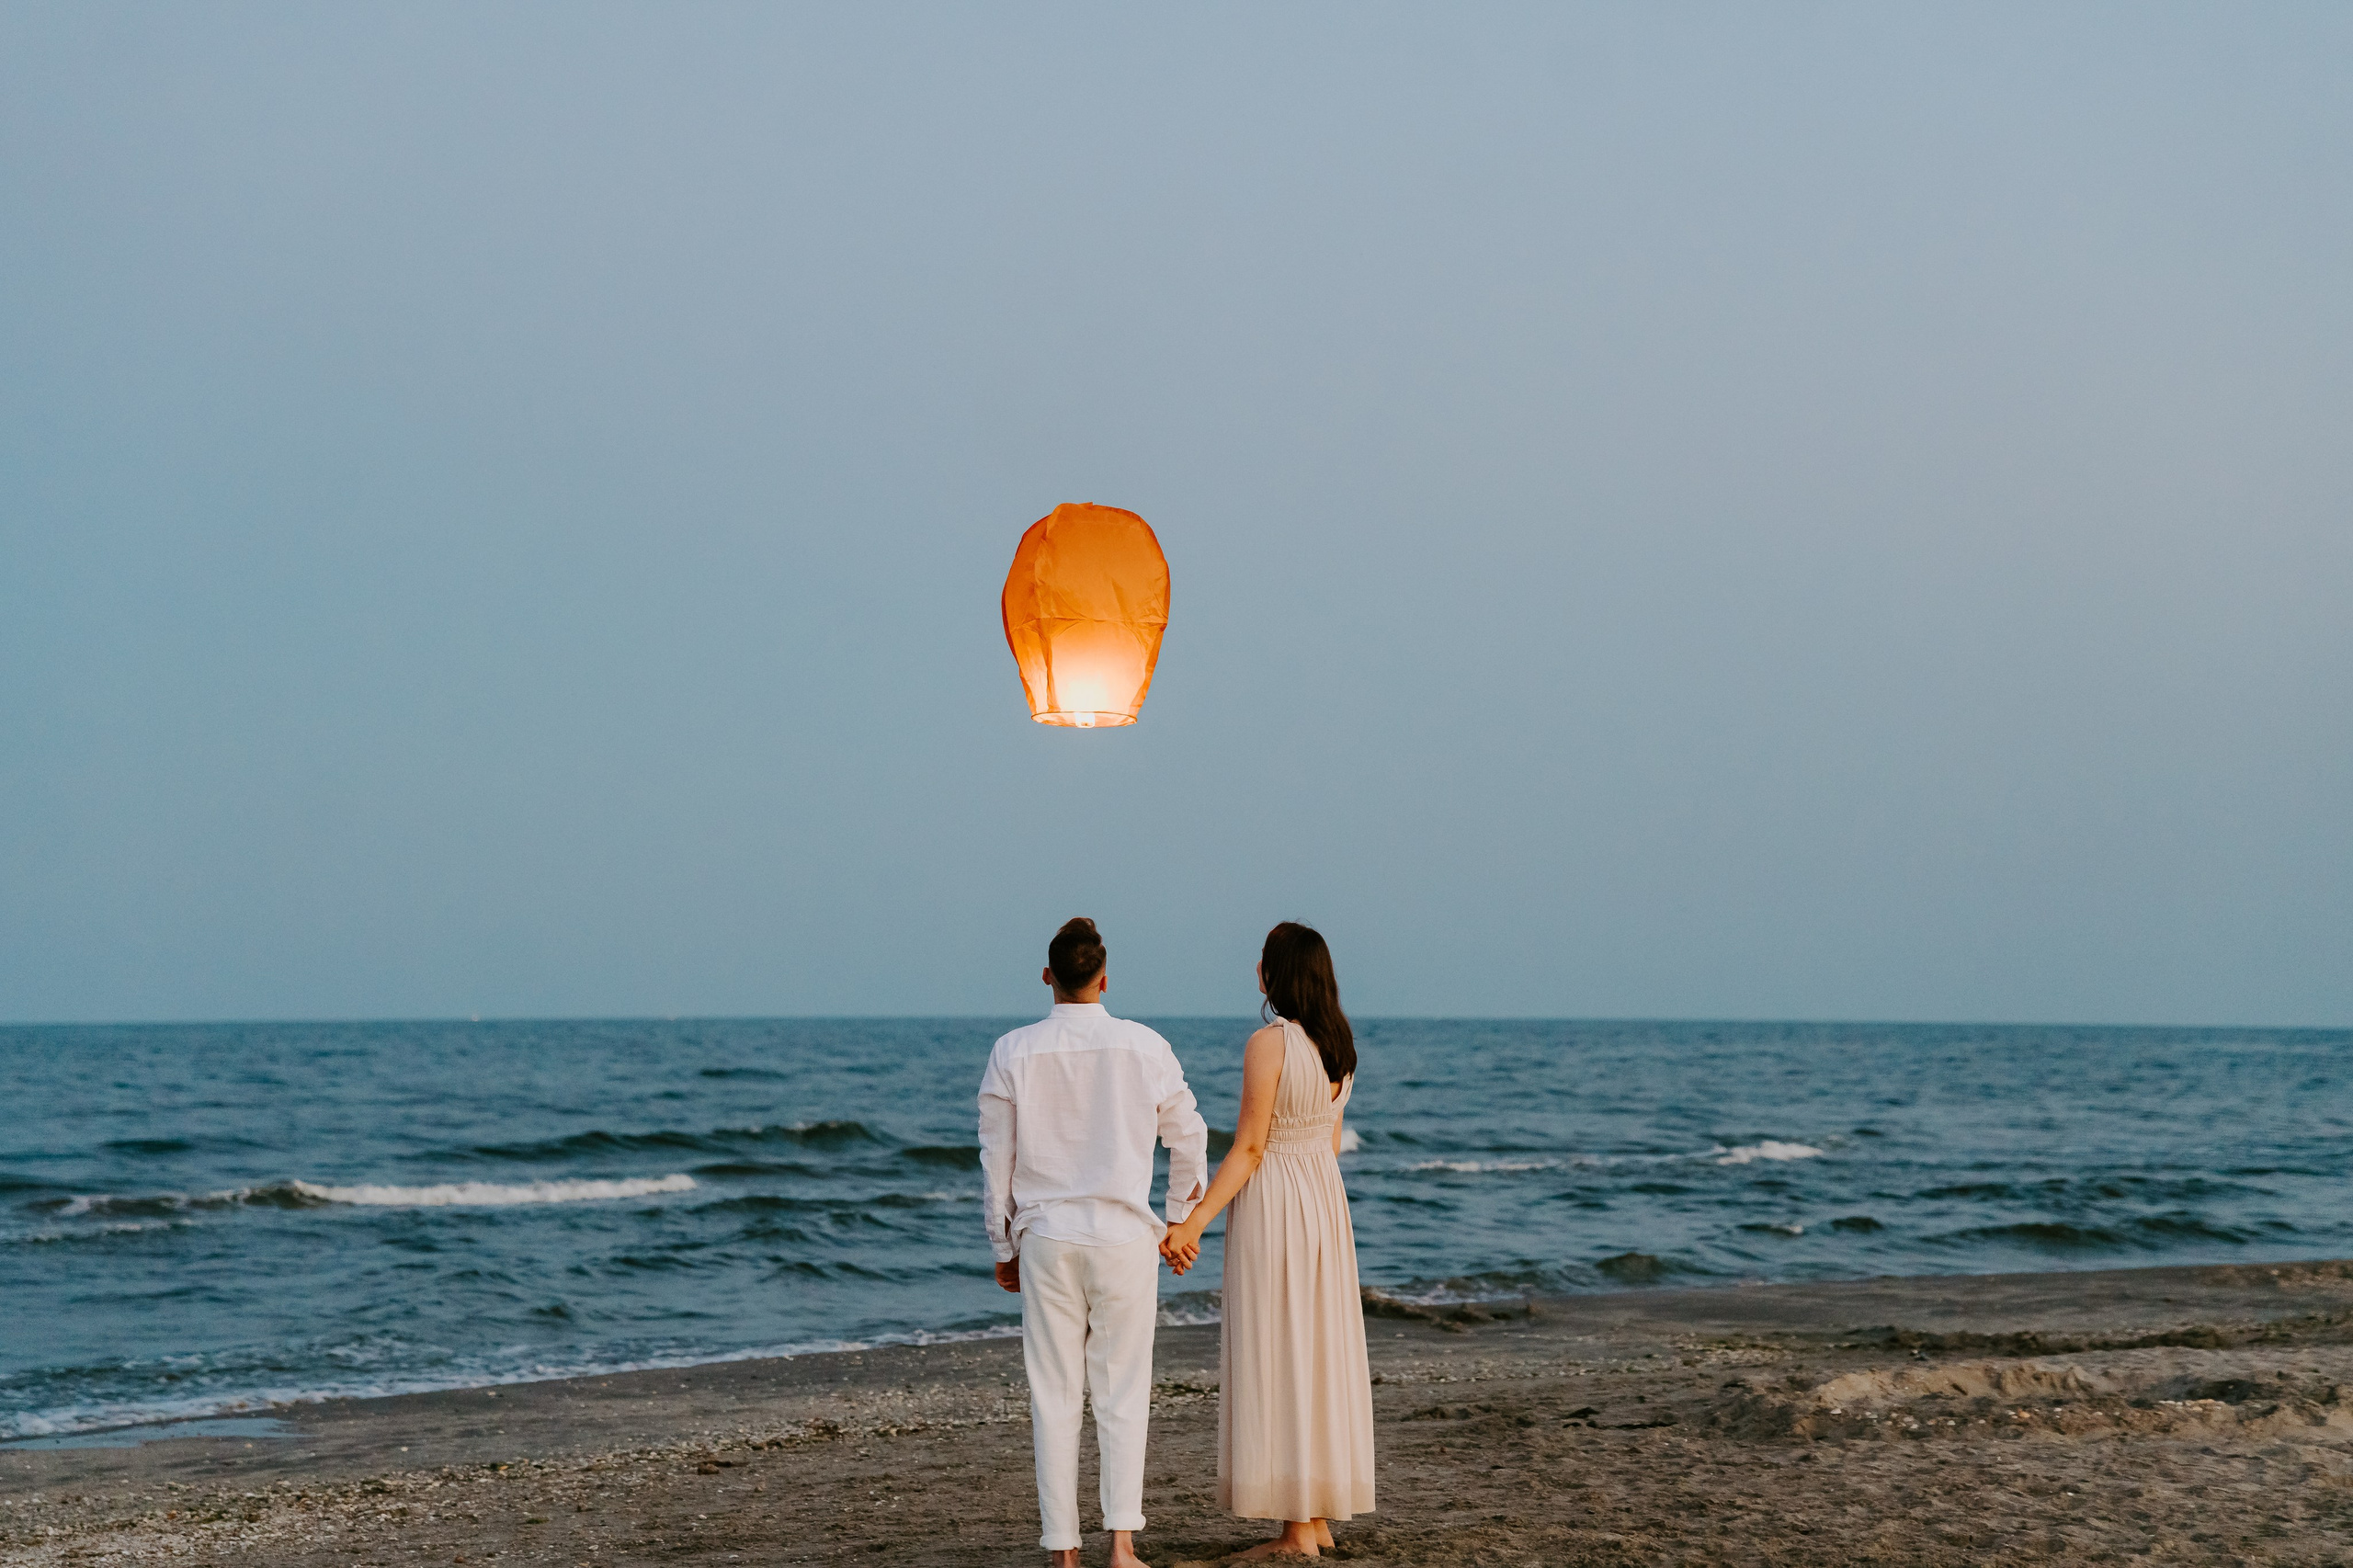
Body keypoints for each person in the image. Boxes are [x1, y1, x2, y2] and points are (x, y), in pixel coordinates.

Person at [979, 917, 1211, 1568]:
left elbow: (996, 1160)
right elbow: (1189, 1138)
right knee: (1122, 1390)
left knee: (1053, 1393)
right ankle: (1122, 1546)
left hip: (1048, 1238)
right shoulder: (1147, 1047)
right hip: (1123, 1240)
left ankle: (1063, 1553)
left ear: (1049, 977)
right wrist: (1176, 1220)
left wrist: (1003, 1245)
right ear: (1104, 980)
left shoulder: (1011, 1051)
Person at [1160, 922, 1375, 1560]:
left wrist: (1191, 1223)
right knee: (1314, 1350)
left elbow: (1252, 1147)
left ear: (1272, 976)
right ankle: (1315, 1518)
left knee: (1278, 1348)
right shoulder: (1341, 1051)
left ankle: (1295, 1532)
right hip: (1324, 1206)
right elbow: (1330, 1144)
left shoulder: (1269, 1043)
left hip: (1278, 1206)